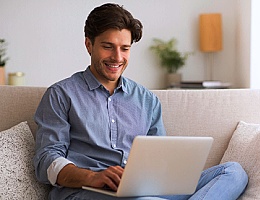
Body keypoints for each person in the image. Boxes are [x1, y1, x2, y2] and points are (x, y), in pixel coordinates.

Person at [33, 3, 248, 200]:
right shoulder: (61, 95)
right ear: (89, 45)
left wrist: (165, 176)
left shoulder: (147, 100)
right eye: (108, 46)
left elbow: (161, 159)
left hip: (144, 190)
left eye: (125, 48)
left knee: (233, 172)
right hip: (86, 192)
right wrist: (91, 177)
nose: (117, 57)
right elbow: (46, 162)